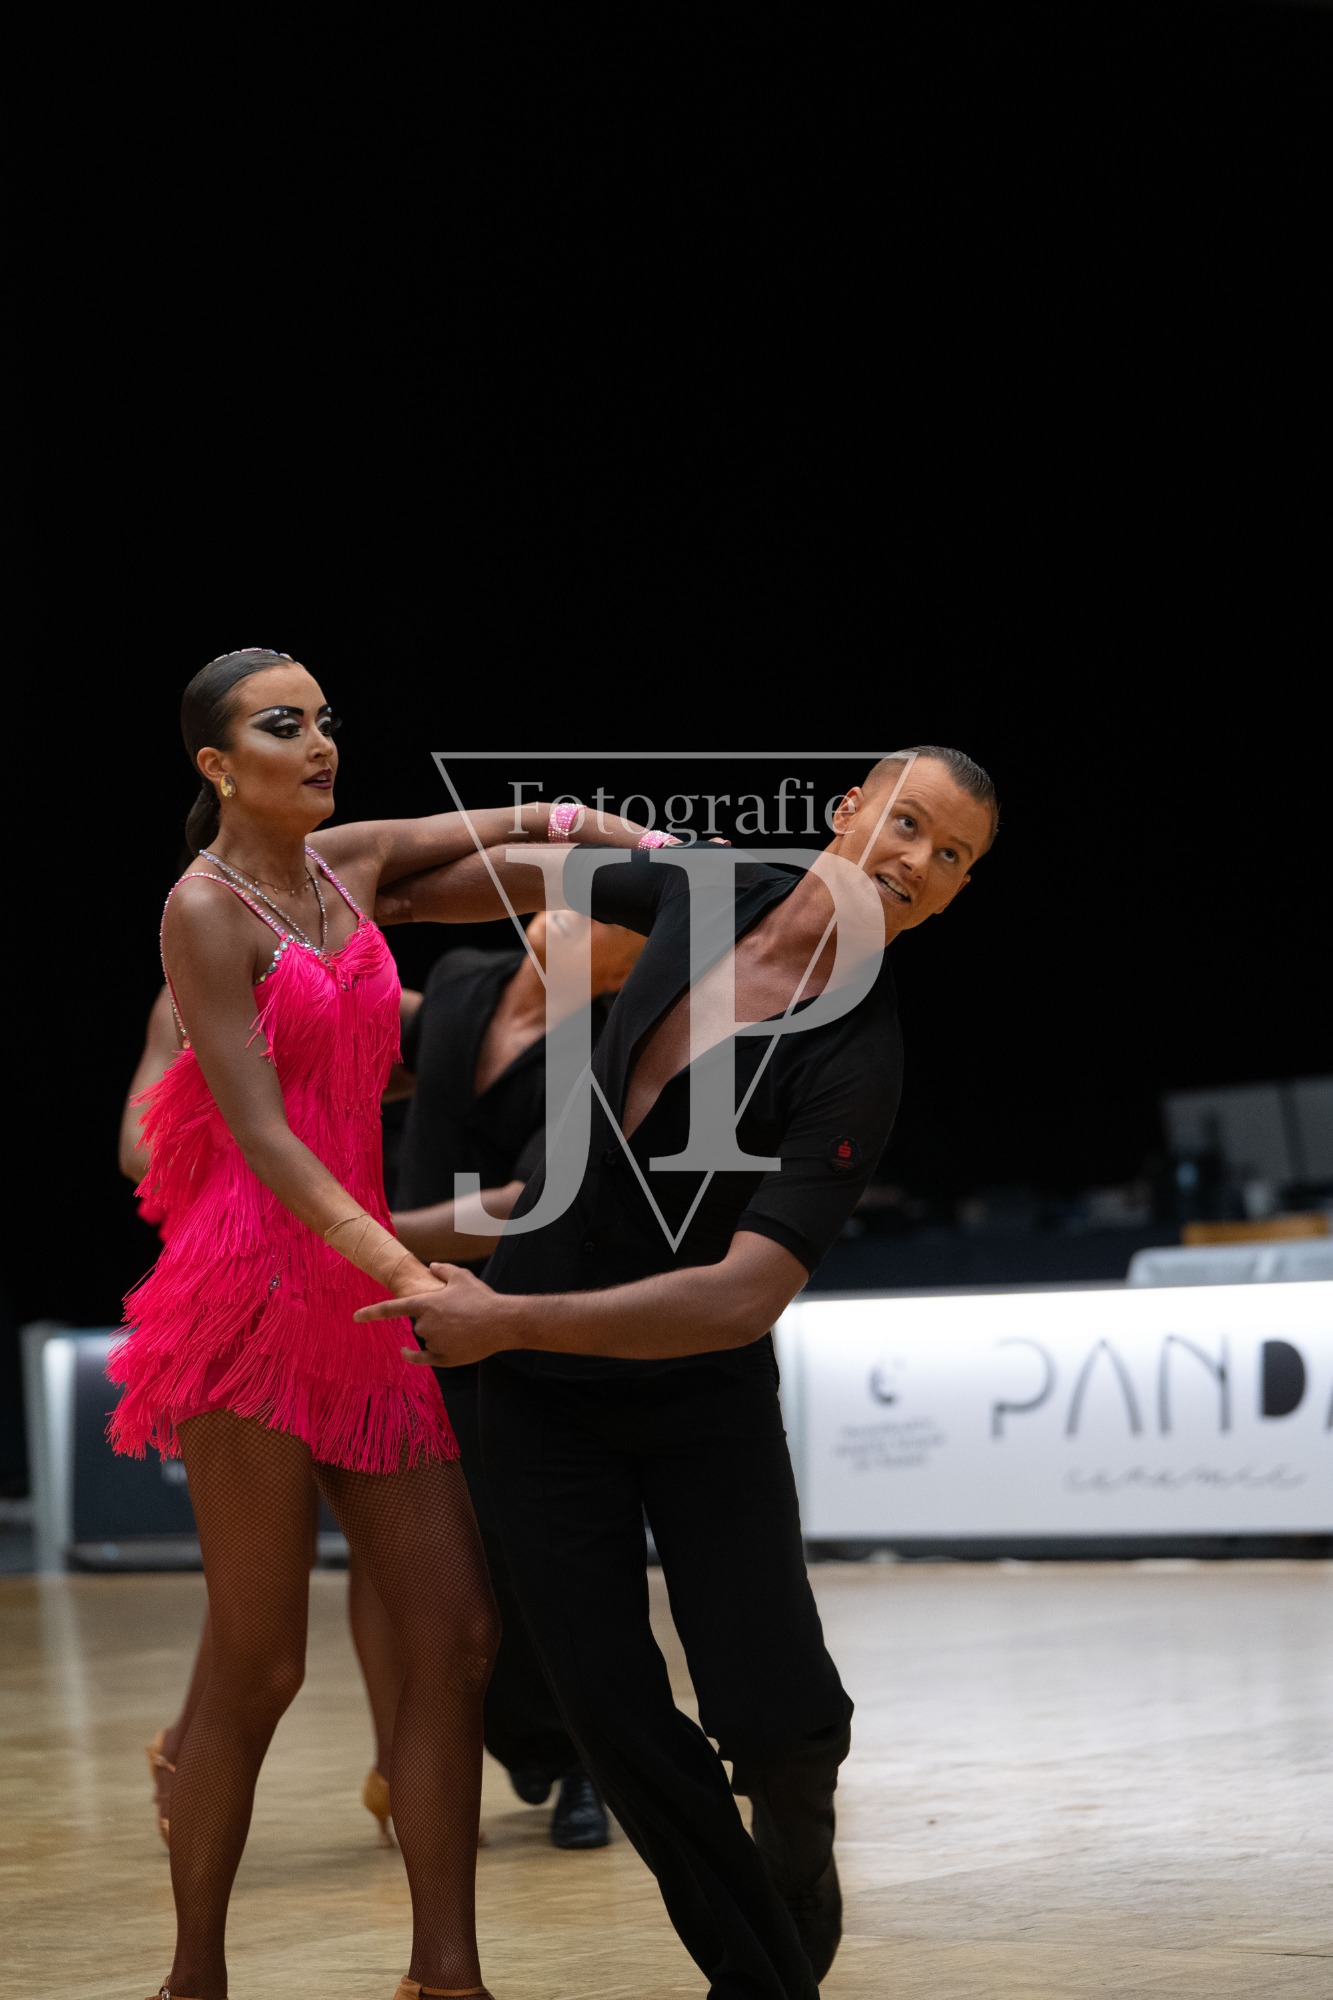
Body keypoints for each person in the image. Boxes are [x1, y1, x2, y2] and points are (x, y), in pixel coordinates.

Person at [365, 748, 999, 2000]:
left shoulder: (856, 1055)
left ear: (953, 893)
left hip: (695, 1388)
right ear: (850, 807)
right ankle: (762, 1977)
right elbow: (509, 877)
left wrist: (505, 1320)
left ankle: (794, 1849)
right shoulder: (710, 886)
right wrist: (349, 898)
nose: (916, 861)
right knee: (610, 1710)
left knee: (777, 1720)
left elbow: (744, 1293)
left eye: (951, 857)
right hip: (540, 1395)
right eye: (908, 822)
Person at [109, 647, 650, 2000]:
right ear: (217, 764)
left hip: (356, 1299)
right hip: (252, 1295)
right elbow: (263, 1138)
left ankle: (446, 1974)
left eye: (324, 720)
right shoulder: (202, 911)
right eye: (281, 725)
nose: (318, 741)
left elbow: (490, 831)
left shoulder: (341, 864)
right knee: (260, 1665)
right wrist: (407, 1264)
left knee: (456, 1637)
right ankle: (192, 1978)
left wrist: (628, 842)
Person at [118, 983, 426, 1852]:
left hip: (355, 1261)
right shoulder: (192, 987)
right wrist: (256, 1115)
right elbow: (137, 1150)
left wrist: (343, 1091)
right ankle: (189, 1742)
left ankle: (397, 1765)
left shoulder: (350, 967)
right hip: (252, 1279)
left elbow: (438, 1049)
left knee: (389, 1544)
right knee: (261, 1565)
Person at [392, 907, 643, 1849]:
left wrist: (364, 1231)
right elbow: (366, 1042)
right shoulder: (463, 977)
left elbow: (527, 1205)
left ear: (628, 970)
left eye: (611, 915)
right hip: (400, 1311)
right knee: (433, 1561)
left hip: (518, 1318)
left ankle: (582, 1762)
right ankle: (519, 1737)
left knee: (526, 1557)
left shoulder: (613, 1052)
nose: (576, 908)